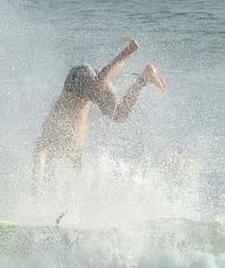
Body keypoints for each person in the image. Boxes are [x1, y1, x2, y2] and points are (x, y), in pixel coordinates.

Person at [33, 39, 166, 176]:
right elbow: (78, 170)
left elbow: (40, 156)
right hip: (84, 79)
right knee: (119, 113)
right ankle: (144, 77)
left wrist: (35, 185)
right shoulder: (72, 149)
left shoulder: (47, 142)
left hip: (77, 83)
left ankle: (126, 54)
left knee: (98, 88)